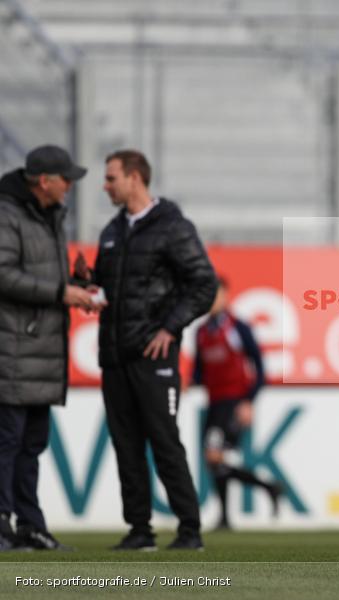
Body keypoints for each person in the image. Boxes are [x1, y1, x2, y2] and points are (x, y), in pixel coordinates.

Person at [91, 150, 217, 550]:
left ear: (134, 178)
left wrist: (169, 328)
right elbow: (110, 287)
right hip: (115, 356)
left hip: (153, 356)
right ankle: (140, 530)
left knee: (164, 441)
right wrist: (87, 282)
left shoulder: (173, 227)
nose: (105, 185)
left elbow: (203, 284)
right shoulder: (112, 232)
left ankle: (189, 530)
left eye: (111, 178)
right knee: (126, 445)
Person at [0, 145, 100, 551]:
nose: (70, 186)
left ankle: (29, 525)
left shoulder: (48, 216)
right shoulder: (7, 214)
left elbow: (35, 274)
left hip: (40, 354)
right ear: (44, 181)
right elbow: (3, 274)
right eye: (66, 179)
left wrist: (77, 283)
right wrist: (61, 291)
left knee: (30, 446)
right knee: (7, 444)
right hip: (12, 351)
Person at [192, 277, 282, 530]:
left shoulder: (238, 328)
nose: (212, 300)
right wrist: (188, 381)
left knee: (214, 455)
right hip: (214, 402)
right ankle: (266, 489)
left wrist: (248, 402)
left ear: (227, 296)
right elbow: (200, 371)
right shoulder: (200, 332)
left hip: (233, 402)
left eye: (217, 294)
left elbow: (260, 368)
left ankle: (226, 516)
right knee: (215, 461)